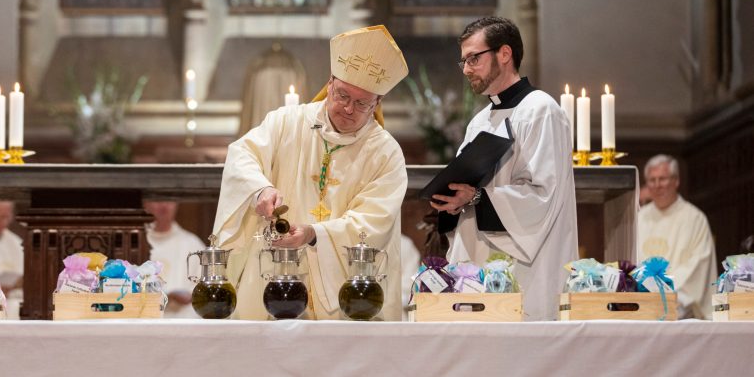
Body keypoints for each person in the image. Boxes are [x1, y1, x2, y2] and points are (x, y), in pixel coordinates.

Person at [213, 25, 409, 320]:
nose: (348, 109)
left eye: (361, 103)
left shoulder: (385, 153)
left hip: (344, 295)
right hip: (274, 273)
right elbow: (242, 155)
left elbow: (374, 221)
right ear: (330, 84)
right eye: (342, 95)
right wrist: (260, 190)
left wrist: (314, 234)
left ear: (377, 103)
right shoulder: (286, 122)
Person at [429, 16, 578, 321]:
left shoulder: (541, 110)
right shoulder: (480, 121)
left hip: (526, 270)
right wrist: (452, 202)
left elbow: (543, 196)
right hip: (480, 266)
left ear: (505, 54)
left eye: (474, 58)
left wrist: (476, 198)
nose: (467, 69)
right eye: (464, 61)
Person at [637, 154, 717, 319]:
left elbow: (698, 265)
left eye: (662, 179)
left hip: (680, 307)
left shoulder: (695, 219)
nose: (657, 185)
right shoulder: (638, 219)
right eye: (652, 180)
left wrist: (663, 292)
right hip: (642, 305)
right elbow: (631, 262)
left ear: (676, 181)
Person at [143, 200, 207, 318]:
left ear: (177, 204)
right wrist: (167, 296)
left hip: (184, 321)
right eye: (158, 200)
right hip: (143, 319)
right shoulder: (134, 242)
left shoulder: (192, 244)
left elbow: (205, 290)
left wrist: (190, 295)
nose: (164, 205)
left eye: (169, 200)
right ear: (145, 203)